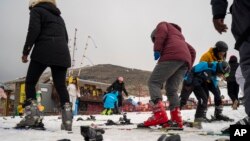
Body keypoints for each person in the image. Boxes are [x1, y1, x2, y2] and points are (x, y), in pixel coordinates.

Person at [17, 0, 72, 131]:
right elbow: (65, 37)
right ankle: (67, 121)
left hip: (43, 50)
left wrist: (26, 52)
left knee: (30, 82)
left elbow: (33, 30)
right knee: (61, 86)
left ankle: (32, 117)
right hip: (62, 53)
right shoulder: (59, 17)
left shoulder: (37, 10)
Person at [140, 21, 196, 129]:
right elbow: (192, 51)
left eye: (154, 40)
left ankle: (159, 115)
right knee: (171, 89)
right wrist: (188, 67)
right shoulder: (180, 38)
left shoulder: (163, 25)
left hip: (171, 56)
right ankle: (176, 120)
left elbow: (161, 33)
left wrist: (157, 49)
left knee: (153, 82)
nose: (156, 41)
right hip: (184, 62)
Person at [211, 0, 250, 128]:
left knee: (231, 93)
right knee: (232, 93)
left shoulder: (222, 62)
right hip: (230, 80)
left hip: (247, 31)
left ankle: (234, 101)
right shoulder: (233, 65)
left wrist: (218, 13)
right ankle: (234, 101)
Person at [198, 41, 230, 121]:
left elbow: (223, 70)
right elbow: (201, 68)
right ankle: (202, 115)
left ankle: (218, 114)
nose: (222, 54)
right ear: (217, 50)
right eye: (221, 52)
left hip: (213, 80)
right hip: (204, 79)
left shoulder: (221, 58)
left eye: (224, 52)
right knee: (205, 96)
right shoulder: (206, 56)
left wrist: (224, 75)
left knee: (218, 95)